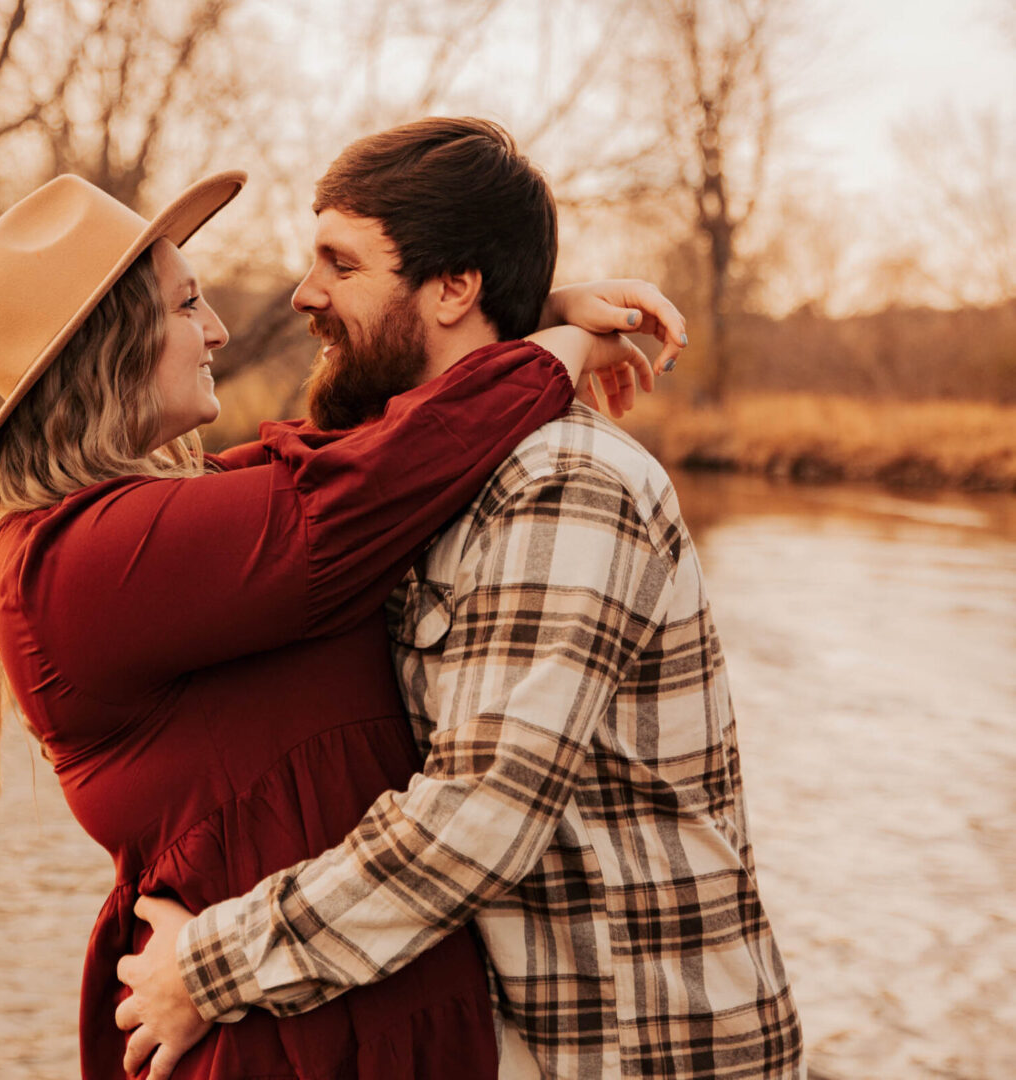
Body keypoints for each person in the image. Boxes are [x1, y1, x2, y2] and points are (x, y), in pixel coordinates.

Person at [115, 118, 804, 1080]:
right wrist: (549, 322)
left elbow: (479, 817)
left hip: (636, 1051)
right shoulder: (418, 470)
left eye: (339, 264)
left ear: (452, 286)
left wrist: (208, 970)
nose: (303, 293)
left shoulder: (561, 479)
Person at [0, 167, 667, 1079]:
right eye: (187, 305)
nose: (216, 329)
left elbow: (357, 445)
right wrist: (546, 345)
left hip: (329, 1017)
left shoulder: (154, 518)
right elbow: (371, 480)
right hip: (279, 1042)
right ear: (108, 347)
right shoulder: (86, 560)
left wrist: (509, 318)